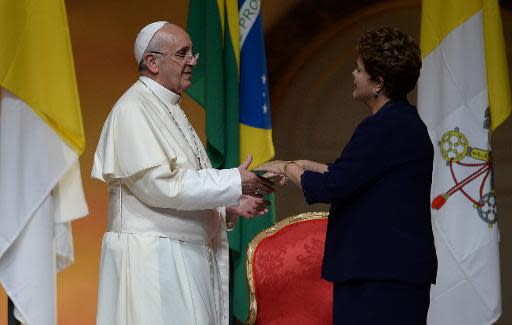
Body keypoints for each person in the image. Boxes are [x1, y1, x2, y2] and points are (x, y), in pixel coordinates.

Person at [91, 21, 273, 325]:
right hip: (154, 261)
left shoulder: (167, 106)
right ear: (152, 61)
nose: (192, 61)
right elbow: (159, 186)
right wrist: (233, 179)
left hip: (181, 256)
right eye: (182, 53)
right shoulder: (133, 109)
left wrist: (226, 202)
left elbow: (181, 184)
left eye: (192, 53)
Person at [256, 26, 437, 325]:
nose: (353, 74)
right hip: (393, 273)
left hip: (378, 276)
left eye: (359, 69)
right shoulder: (403, 122)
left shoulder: (382, 126)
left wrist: (288, 169)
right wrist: (304, 164)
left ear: (378, 82)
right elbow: (356, 174)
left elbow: (333, 186)